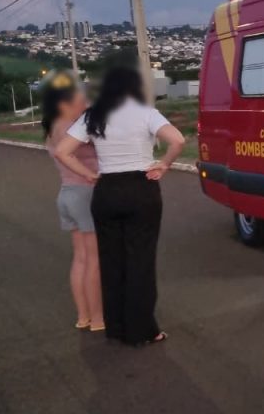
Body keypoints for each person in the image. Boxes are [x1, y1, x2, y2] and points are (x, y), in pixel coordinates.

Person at [54, 66, 185, 347]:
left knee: (112, 260)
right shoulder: (146, 113)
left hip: (107, 190)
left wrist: (89, 174)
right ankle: (143, 331)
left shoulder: (94, 115)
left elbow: (63, 151)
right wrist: (164, 164)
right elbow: (177, 140)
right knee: (140, 261)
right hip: (142, 188)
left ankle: (116, 327)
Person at [42, 72, 104, 332]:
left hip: (66, 194)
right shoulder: (74, 126)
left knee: (80, 258)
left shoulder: (53, 125)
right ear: (64, 102)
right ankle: (99, 318)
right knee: (94, 260)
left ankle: (83, 316)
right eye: (79, 97)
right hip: (85, 193)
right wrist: (91, 174)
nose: (84, 101)